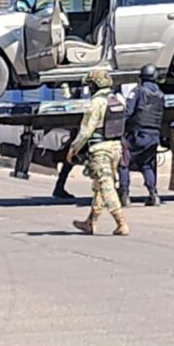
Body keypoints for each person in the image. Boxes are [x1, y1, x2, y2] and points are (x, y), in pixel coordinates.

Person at [67, 69, 130, 236]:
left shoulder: (96, 103)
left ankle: (121, 222)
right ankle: (91, 222)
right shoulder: (118, 99)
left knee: (106, 186)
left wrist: (73, 149)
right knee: (99, 187)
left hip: (100, 149)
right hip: (116, 147)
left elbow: (86, 131)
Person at [119, 64, 166, 207]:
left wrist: (119, 129)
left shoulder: (138, 91)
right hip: (154, 136)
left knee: (124, 163)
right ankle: (154, 194)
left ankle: (125, 196)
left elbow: (128, 112)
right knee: (146, 165)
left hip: (137, 135)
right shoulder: (160, 95)